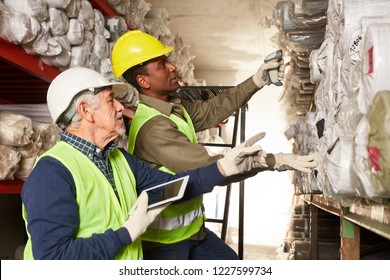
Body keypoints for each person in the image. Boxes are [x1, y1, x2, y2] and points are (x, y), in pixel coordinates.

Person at [20, 67, 286, 260]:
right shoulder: (52, 173)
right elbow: (53, 259)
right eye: (111, 101)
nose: (121, 109)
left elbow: (172, 188)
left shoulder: (117, 159)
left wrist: (222, 169)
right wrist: (125, 234)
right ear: (85, 110)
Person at [111, 30, 317, 260]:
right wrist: (274, 161)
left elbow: (213, 109)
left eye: (167, 61)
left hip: (192, 232)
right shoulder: (153, 128)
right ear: (143, 81)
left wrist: (257, 81)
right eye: (161, 65)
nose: (171, 67)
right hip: (164, 244)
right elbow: (211, 168)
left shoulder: (174, 108)